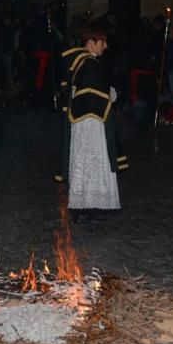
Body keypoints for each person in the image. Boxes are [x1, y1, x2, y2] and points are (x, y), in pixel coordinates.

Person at [55, 21, 125, 222]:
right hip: (92, 122)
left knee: (85, 162)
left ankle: (86, 206)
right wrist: (110, 95)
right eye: (103, 42)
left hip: (83, 122)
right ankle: (88, 207)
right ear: (92, 42)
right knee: (93, 161)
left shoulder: (80, 62)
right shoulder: (89, 63)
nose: (106, 46)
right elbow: (94, 95)